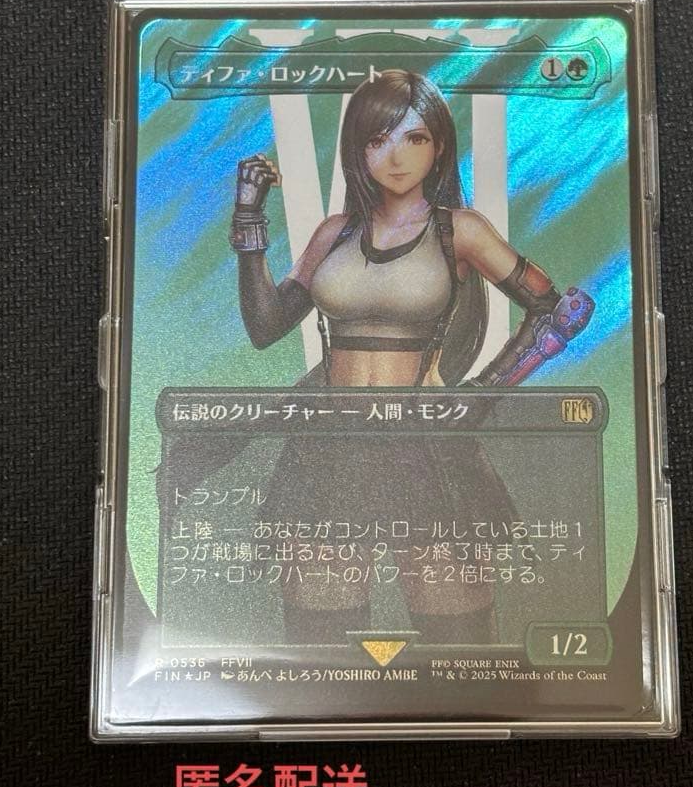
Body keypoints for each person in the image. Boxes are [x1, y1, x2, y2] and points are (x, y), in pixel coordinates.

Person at [230, 69, 593, 643]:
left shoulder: (460, 230)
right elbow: (266, 325)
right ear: (358, 149)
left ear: (439, 145)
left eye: (414, 137)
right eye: (378, 139)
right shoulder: (334, 233)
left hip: (426, 445)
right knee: (322, 651)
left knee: (460, 650)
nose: (396, 156)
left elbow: (561, 310)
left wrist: (479, 398)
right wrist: (249, 216)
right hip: (329, 447)